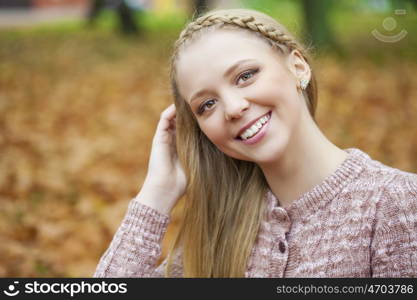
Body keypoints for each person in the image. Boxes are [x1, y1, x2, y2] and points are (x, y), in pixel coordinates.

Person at [93, 8, 417, 278]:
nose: (233, 108)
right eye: (207, 105)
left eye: (246, 75)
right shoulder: (221, 227)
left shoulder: (395, 204)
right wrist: (157, 193)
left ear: (297, 67)